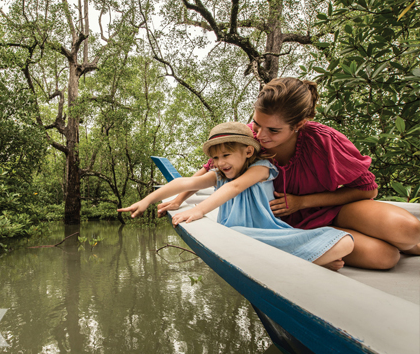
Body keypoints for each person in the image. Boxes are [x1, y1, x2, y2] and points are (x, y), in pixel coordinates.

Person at [159, 78, 420, 270]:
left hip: (331, 208)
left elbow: (368, 190)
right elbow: (211, 168)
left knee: (409, 230)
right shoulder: (248, 138)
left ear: (299, 125)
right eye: (258, 124)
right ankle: (329, 239)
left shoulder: (324, 141)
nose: (260, 135)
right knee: (386, 258)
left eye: (273, 130)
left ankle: (406, 244)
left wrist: (303, 202)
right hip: (286, 227)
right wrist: (180, 198)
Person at [119, 122, 354, 271]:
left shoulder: (262, 168)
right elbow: (187, 182)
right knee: (231, 239)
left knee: (345, 241)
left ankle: (312, 258)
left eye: (226, 155)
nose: (221, 163)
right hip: (237, 236)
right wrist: (147, 199)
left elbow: (236, 187)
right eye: (216, 158)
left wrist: (199, 210)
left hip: (266, 233)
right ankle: (314, 260)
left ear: (248, 150)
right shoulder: (220, 174)